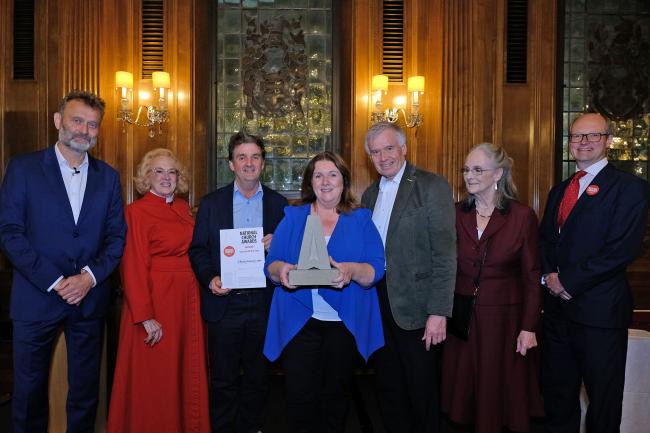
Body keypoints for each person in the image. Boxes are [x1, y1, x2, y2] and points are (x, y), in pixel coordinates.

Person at [0, 90, 126, 433]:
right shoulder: (23, 168)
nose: (84, 130)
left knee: (85, 393)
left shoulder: (109, 177)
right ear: (58, 121)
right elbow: (10, 233)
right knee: (28, 394)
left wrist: (88, 278)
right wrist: (56, 281)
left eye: (93, 124)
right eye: (77, 120)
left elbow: (116, 239)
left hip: (89, 299)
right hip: (36, 297)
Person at [540, 113, 649, 433]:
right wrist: (549, 277)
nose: (583, 142)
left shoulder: (631, 189)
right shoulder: (558, 191)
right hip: (557, 315)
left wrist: (568, 281)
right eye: (576, 136)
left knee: (603, 400)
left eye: (592, 136)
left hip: (600, 313)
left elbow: (621, 250)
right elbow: (545, 240)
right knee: (557, 397)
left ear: (609, 141)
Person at [264, 151, 385, 433]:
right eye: (318, 175)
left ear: (344, 181)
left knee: (336, 397)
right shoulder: (293, 217)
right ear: (310, 182)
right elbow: (272, 264)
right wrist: (282, 272)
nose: (326, 181)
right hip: (299, 323)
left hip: (343, 325)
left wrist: (351, 271)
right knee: (299, 398)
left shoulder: (361, 219)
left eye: (333, 174)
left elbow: (375, 270)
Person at [189, 132, 288, 433]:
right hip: (225, 302)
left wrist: (279, 246)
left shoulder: (280, 204)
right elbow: (197, 250)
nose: (248, 163)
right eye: (241, 157)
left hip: (264, 303)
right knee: (223, 380)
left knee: (259, 378)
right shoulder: (211, 203)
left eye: (255, 156)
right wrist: (210, 279)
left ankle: (252, 427)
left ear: (263, 163)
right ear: (231, 164)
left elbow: (292, 256)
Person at [441, 143, 543, 433]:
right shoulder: (455, 213)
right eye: (466, 169)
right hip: (462, 319)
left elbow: (532, 276)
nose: (469, 176)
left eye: (477, 169)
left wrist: (529, 327)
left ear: (498, 173)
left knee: (499, 397)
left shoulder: (522, 216)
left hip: (505, 323)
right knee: (463, 398)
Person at [361, 121, 456, 433]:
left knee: (423, 392)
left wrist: (439, 312)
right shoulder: (369, 194)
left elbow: (445, 255)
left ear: (403, 148)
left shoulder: (430, 186)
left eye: (389, 148)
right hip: (378, 307)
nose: (383, 156)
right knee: (389, 390)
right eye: (375, 152)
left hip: (418, 310)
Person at [107, 148, 210, 433]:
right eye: (158, 171)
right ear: (146, 177)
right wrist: (145, 315)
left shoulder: (181, 209)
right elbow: (132, 266)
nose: (166, 177)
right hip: (156, 302)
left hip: (186, 300)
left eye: (172, 171)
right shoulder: (135, 212)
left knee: (182, 370)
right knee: (156, 375)